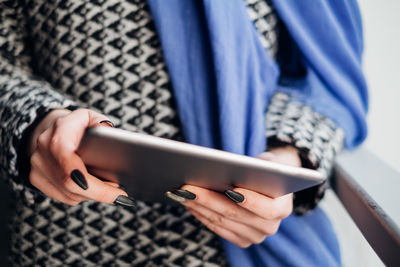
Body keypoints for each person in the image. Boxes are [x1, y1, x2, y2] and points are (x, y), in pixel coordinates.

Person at [0, 0, 367, 266]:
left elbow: (325, 79)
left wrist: (282, 161)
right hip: (65, 234)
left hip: (247, 244)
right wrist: (38, 124)